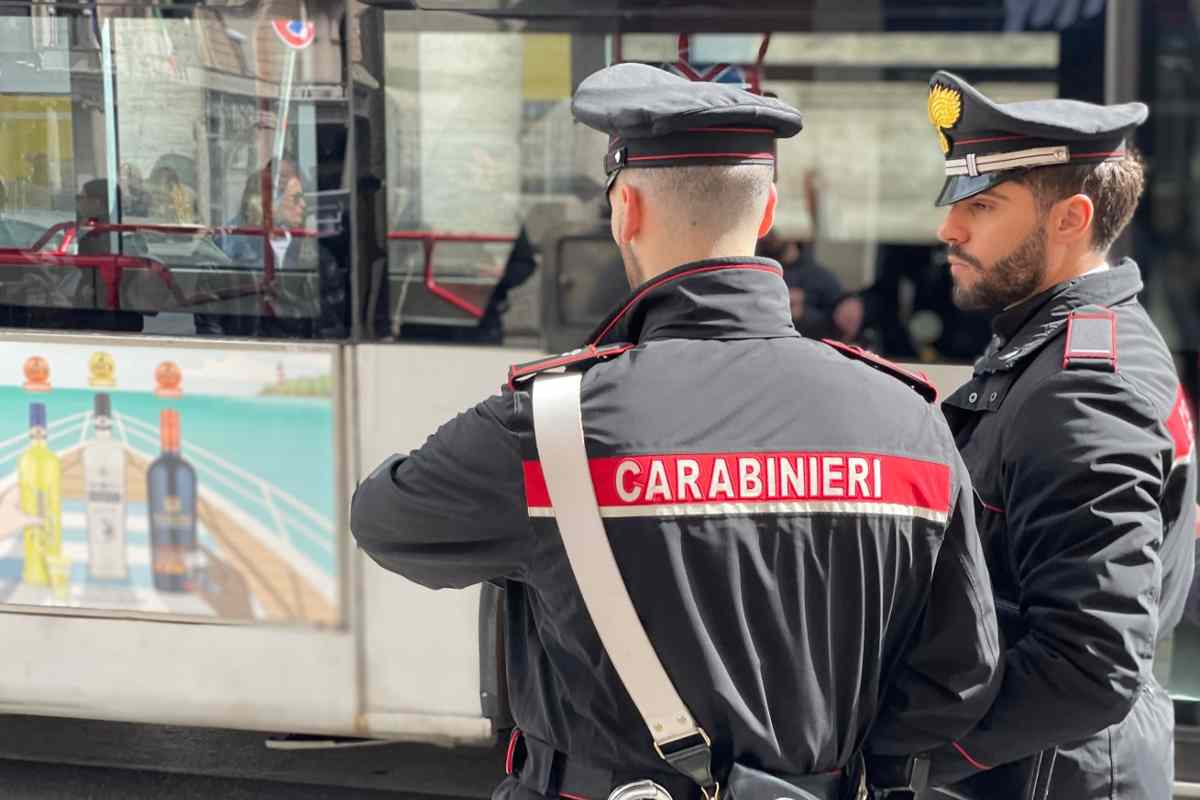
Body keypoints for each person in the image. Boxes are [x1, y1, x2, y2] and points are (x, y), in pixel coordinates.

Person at [351, 63, 1001, 800]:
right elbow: (958, 679)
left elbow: (382, 518)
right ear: (766, 215)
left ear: (626, 208)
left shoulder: (552, 427)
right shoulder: (909, 423)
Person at [918, 71, 1198, 799]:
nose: (950, 228)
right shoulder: (1059, 343)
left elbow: (1090, 664)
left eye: (981, 206)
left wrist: (912, 755)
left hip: (1052, 776)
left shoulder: (1084, 383)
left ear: (1071, 219)